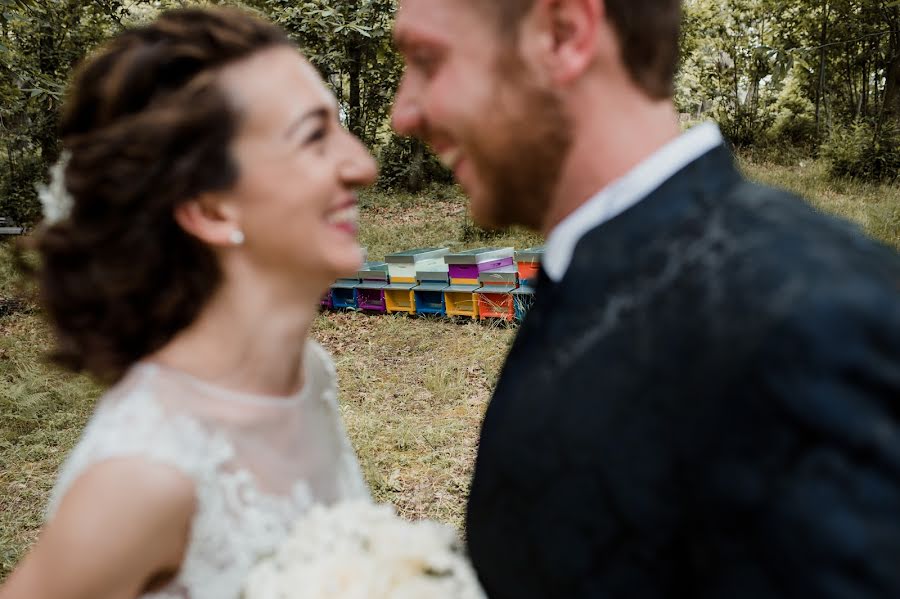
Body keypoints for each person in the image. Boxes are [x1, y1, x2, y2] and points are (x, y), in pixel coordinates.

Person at [391, 0, 900, 597]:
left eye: (427, 59)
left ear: (563, 34)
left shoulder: (810, 320)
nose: (404, 113)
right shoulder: (593, 268)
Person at [0, 7, 375, 599]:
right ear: (210, 210)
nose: (362, 165)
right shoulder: (142, 476)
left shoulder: (308, 378)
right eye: (314, 137)